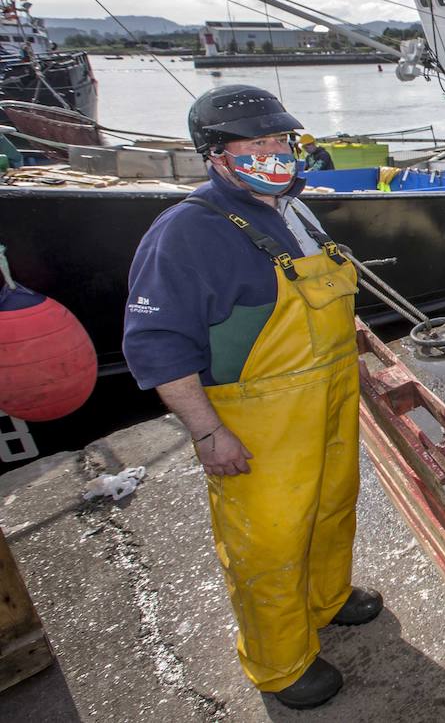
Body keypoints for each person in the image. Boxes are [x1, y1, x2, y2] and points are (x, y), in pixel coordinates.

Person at [122, 85, 378, 710]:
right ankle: (280, 661)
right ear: (216, 155)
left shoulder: (293, 209)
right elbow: (157, 345)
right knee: (268, 540)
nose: (275, 153)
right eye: (256, 144)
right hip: (258, 420)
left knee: (332, 503)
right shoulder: (186, 231)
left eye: (280, 140)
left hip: (329, 397)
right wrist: (208, 433)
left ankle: (325, 597)